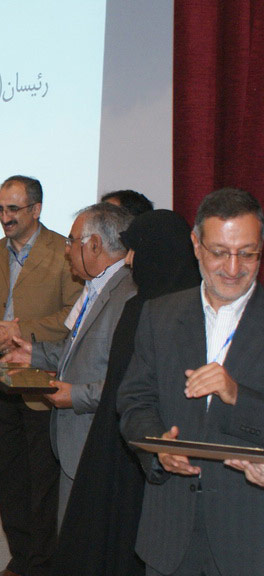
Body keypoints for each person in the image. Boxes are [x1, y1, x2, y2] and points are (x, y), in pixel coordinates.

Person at [118, 188, 264, 576]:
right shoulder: (159, 314)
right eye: (219, 252)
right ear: (196, 245)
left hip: (249, 536)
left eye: (248, 253)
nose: (233, 267)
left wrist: (236, 395)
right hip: (169, 530)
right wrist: (158, 448)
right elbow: (134, 401)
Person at [54, 210, 200, 576]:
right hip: (117, 448)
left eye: (136, 250)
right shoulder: (139, 307)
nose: (130, 260)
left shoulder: (187, 316)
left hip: (162, 454)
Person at [0, 176, 82, 576]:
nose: (5, 217)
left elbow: (73, 316)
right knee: (10, 475)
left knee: (42, 480)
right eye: (0, 208)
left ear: (36, 209)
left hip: (42, 378)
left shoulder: (63, 251)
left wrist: (20, 331)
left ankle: (42, 563)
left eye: (13, 209)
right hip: (0, 376)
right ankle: (19, 559)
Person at [3, 202, 135, 523]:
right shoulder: (95, 287)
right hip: (76, 442)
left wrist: (74, 395)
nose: (66, 250)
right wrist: (32, 353)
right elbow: (75, 349)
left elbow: (128, 381)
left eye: (71, 241)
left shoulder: (128, 296)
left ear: (94, 245)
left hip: (98, 444)